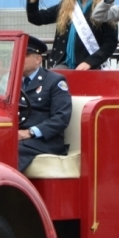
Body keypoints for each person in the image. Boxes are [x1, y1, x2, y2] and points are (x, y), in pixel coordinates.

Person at [26, 0, 118, 70]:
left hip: (93, 65)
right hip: (64, 63)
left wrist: (90, 62)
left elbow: (110, 43)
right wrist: (33, 0)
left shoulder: (105, 7)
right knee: (53, 77)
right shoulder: (65, 6)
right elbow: (37, 19)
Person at [18, 36, 72, 172]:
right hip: (17, 136)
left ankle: (4, 184)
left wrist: (30, 132)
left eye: (25, 55)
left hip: (45, 140)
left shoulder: (55, 81)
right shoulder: (11, 81)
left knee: (11, 151)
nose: (19, 58)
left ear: (38, 59)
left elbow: (61, 117)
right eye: (18, 54)